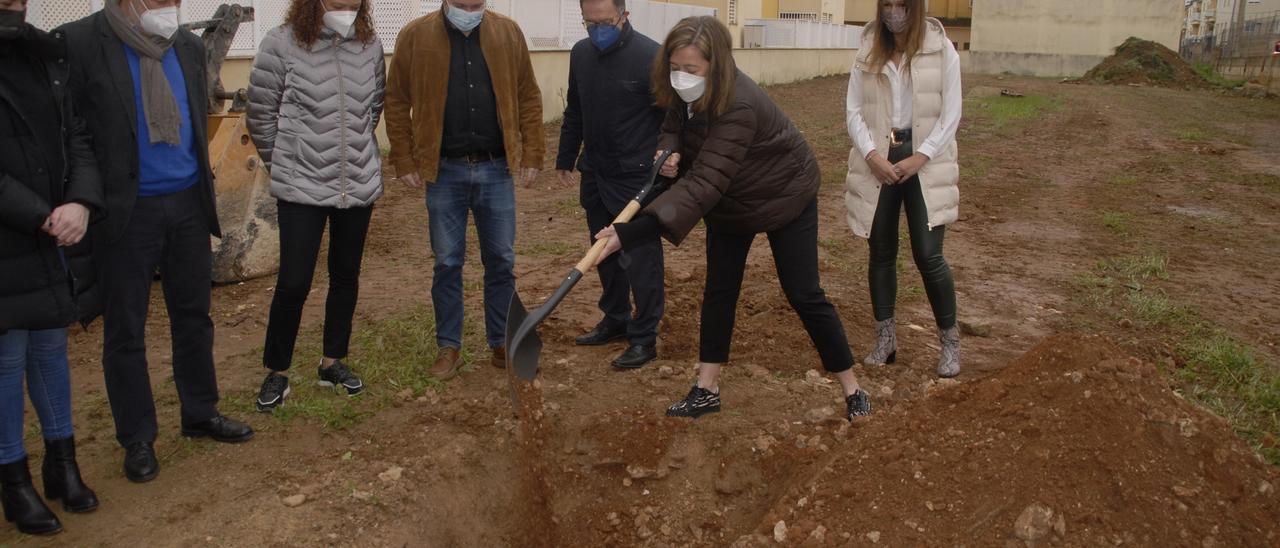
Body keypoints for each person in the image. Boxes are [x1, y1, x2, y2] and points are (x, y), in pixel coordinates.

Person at [596, 16, 872, 421]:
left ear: (716, 65)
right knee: (719, 291)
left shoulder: (738, 103)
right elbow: (673, 126)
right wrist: (668, 151)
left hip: (783, 195)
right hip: (730, 200)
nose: (681, 77)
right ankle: (706, 389)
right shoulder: (686, 91)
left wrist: (630, 232)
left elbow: (703, 183)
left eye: (691, 69)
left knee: (803, 293)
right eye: (674, 67)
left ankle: (853, 388)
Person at [59, 0, 254, 484]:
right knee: (125, 328)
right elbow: (74, 130)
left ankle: (200, 412)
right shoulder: (82, 43)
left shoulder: (186, 45)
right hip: (127, 212)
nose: (171, 7)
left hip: (187, 202)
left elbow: (196, 116)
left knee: (193, 315)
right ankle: (138, 437)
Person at [385, 0, 543, 380]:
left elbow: (528, 96)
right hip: (444, 173)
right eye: (463, 2)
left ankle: (502, 341)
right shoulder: (415, 36)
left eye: (477, 2)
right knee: (447, 263)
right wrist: (404, 159)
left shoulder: (508, 33)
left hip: (496, 169)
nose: (470, 7)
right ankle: (448, 345)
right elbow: (396, 100)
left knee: (501, 260)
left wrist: (533, 152)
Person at [246, 0, 385, 412]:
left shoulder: (369, 45)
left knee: (346, 275)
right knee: (293, 282)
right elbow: (260, 114)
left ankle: (332, 362)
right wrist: (284, 164)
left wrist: (354, 154)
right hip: (301, 187)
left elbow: (372, 109)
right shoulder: (281, 44)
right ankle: (277, 370)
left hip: (356, 185)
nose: (345, 5)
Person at [0, 1, 102, 534]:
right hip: (14, 233)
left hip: (55, 228)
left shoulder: (44, 52)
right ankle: (13, 483)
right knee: (7, 359)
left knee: (50, 349)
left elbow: (75, 135)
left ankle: (62, 463)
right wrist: (43, 216)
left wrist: (81, 201)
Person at [843, 0, 962, 378]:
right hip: (879, 158)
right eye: (887, 5)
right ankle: (886, 339)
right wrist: (873, 155)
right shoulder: (868, 51)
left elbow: (951, 113)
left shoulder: (941, 49)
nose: (894, 12)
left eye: (902, 4)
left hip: (924, 161)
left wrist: (921, 155)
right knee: (880, 251)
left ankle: (949, 342)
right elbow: (854, 111)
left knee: (929, 256)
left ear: (917, 7)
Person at [556, 0, 665, 369]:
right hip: (596, 173)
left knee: (641, 261)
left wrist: (666, 161)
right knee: (603, 254)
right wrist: (565, 159)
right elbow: (575, 110)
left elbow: (671, 119)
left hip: (635, 179)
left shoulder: (652, 57)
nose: (598, 30)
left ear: (624, 16)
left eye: (606, 22)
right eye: (590, 23)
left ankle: (644, 337)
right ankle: (615, 318)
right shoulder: (581, 54)